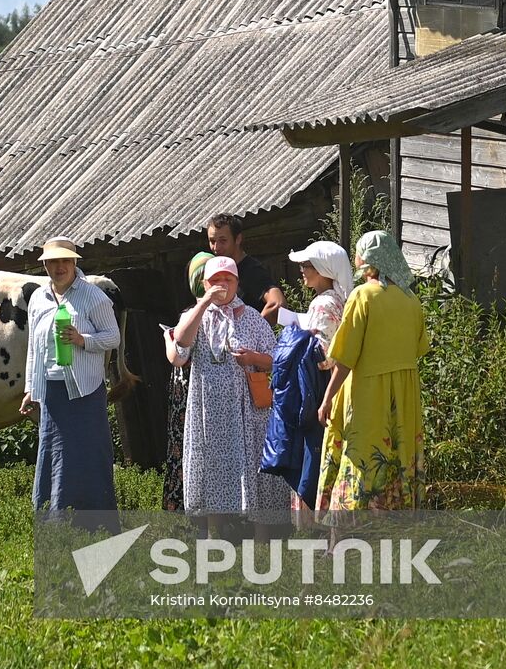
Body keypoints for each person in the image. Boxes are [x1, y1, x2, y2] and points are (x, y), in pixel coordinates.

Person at [169, 255, 286, 536]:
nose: (222, 285)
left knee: (255, 465)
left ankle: (260, 535)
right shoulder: (198, 316)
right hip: (208, 410)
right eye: (215, 280)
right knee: (212, 463)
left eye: (228, 280)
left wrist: (253, 357)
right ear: (205, 283)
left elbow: (277, 359)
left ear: (236, 283)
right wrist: (204, 302)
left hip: (246, 409)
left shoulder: (253, 319)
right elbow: (181, 344)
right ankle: (215, 533)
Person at [316, 230, 430, 513]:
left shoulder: (363, 296)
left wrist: (328, 397)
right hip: (404, 397)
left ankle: (345, 534)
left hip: (369, 393)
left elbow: (345, 357)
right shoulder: (411, 300)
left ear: (368, 259)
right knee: (397, 454)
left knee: (362, 456)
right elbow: (418, 348)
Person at [19, 236, 123, 519]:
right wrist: (31, 387)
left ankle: (95, 519)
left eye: (65, 260)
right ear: (46, 266)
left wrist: (82, 340)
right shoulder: (38, 298)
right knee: (54, 452)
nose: (59, 266)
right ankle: (56, 516)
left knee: (88, 454)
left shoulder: (93, 296)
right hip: (52, 390)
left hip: (85, 390)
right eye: (53, 261)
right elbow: (34, 348)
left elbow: (113, 338)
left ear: (75, 263)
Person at [261, 241, 353, 519]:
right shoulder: (336, 300)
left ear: (325, 270)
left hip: (316, 389)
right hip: (328, 387)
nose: (301, 270)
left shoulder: (324, 303)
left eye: (307, 265)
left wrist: (294, 341)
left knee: (312, 456)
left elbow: (324, 356)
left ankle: (312, 528)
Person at [161, 251, 214, 512]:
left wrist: (169, 340)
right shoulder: (194, 314)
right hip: (191, 392)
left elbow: (176, 355)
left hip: (189, 391)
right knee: (189, 448)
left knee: (188, 449)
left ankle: (187, 507)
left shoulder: (194, 314)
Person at [206, 213, 285, 326]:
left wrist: (251, 331)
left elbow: (278, 303)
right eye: (212, 241)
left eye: (223, 241)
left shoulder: (252, 270)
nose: (216, 247)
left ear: (238, 239)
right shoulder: (216, 270)